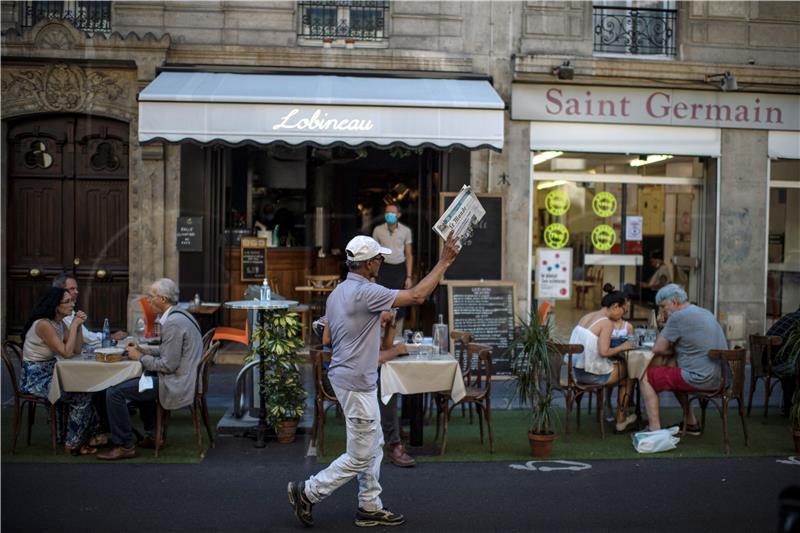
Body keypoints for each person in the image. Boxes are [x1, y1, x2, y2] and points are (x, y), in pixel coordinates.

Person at [288, 233, 461, 528]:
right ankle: (308, 491)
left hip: (349, 378)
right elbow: (418, 296)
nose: (382, 261)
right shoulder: (368, 292)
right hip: (356, 381)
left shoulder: (338, 292)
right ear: (368, 264)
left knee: (374, 443)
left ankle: (369, 504)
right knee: (360, 454)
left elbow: (326, 334)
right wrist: (444, 261)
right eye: (379, 258)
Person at [97, 278, 203, 461]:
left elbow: (167, 365)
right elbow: (172, 352)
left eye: (150, 296)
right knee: (143, 380)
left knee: (114, 392)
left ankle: (125, 445)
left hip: (176, 383)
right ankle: (154, 435)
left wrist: (140, 357)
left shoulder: (173, 323)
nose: (148, 300)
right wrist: (145, 350)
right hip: (183, 377)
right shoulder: (180, 315)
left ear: (162, 299)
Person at [320, 311, 416, 467]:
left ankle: (390, 434)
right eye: (383, 319)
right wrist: (397, 351)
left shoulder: (366, 322)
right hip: (336, 381)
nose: (383, 324)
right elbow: (374, 359)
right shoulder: (354, 321)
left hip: (351, 375)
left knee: (384, 381)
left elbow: (384, 347)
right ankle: (394, 443)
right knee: (385, 385)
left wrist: (391, 326)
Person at [21, 287, 100, 455]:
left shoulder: (59, 323)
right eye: (67, 302)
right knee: (83, 396)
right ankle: (72, 444)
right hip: (36, 378)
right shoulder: (43, 324)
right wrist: (74, 326)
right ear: (56, 306)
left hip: (52, 373)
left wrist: (77, 327)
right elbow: (65, 352)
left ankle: (81, 436)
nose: (72, 305)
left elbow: (76, 350)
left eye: (72, 301)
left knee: (87, 387)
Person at [639, 284, 728, 433]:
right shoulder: (705, 312)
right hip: (722, 378)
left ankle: (654, 430)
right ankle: (690, 421)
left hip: (701, 378)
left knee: (644, 377)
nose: (662, 311)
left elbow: (658, 348)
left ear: (674, 302)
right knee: (674, 370)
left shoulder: (677, 316)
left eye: (663, 307)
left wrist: (664, 326)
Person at [567, 285, 638, 433]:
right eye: (623, 310)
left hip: (576, 373)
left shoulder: (586, 316)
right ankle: (621, 419)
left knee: (618, 367)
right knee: (631, 373)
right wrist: (623, 346)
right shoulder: (606, 323)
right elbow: (604, 352)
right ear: (615, 306)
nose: (623, 314)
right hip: (592, 376)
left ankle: (611, 409)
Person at [52, 273, 127, 347]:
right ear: (59, 290)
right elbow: (85, 338)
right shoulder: (60, 311)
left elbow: (81, 341)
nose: (76, 292)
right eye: (72, 289)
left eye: (76, 288)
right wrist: (109, 336)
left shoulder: (68, 309)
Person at [372, 203, 414, 332]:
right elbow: (373, 254)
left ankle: (397, 334)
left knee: (399, 302)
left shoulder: (406, 231)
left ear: (399, 215)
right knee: (381, 300)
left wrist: (408, 276)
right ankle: (380, 334)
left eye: (392, 213)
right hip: (383, 269)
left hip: (399, 270)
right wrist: (372, 276)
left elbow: (409, 254)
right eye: (387, 212)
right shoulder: (378, 230)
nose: (389, 215)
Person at [766, 306, 800, 415]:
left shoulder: (789, 316)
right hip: (778, 364)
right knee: (793, 371)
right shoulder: (797, 323)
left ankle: (787, 406)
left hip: (764, 361)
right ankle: (789, 408)